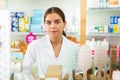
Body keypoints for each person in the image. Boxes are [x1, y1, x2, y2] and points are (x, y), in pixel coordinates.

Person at [22, 7, 79, 79]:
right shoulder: (34, 46)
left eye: (57, 22)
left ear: (64, 24)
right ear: (45, 25)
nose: (52, 26)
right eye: (48, 22)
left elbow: (78, 74)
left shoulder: (74, 47)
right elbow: (26, 72)